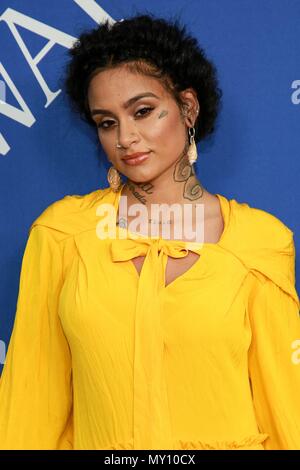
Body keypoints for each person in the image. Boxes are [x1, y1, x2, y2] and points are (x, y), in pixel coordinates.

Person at [0, 13, 299, 450]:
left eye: (143, 112)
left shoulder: (259, 242)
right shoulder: (62, 234)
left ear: (188, 107)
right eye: (107, 122)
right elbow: (29, 400)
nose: (126, 137)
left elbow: (287, 403)